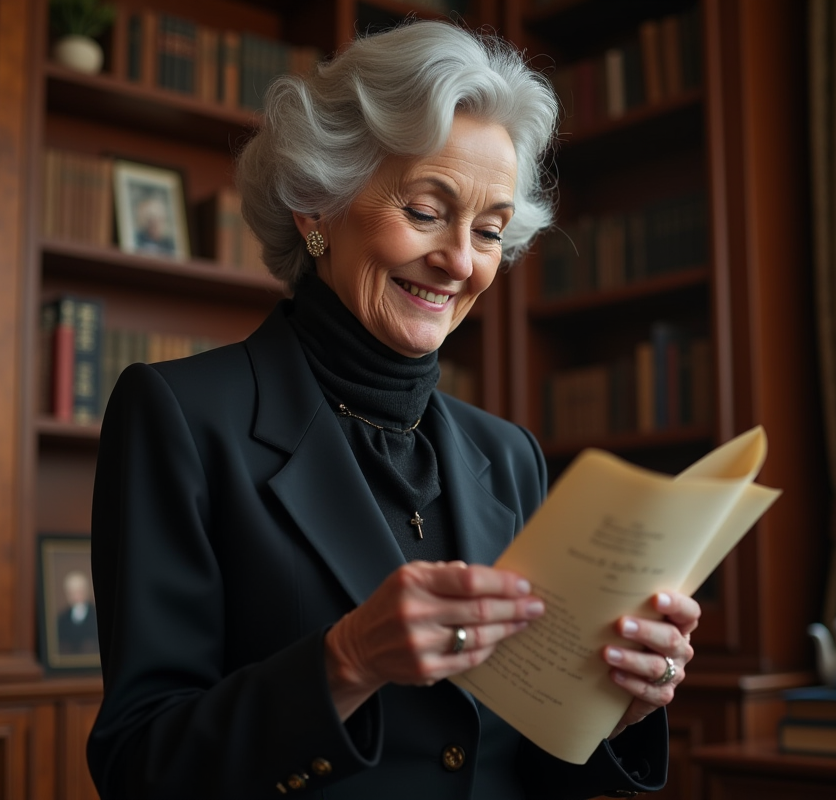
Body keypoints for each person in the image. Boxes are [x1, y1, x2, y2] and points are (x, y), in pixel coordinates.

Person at [87, 21, 699, 799]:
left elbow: (526, 763)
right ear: (315, 204)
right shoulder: (179, 416)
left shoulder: (509, 455)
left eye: (489, 230)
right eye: (424, 210)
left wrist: (617, 707)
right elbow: (140, 768)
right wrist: (346, 662)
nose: (460, 260)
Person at [55, 570, 99, 656]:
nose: (76, 596)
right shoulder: (62, 618)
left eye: (79, 591)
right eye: (72, 593)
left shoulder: (95, 615)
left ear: (86, 591)